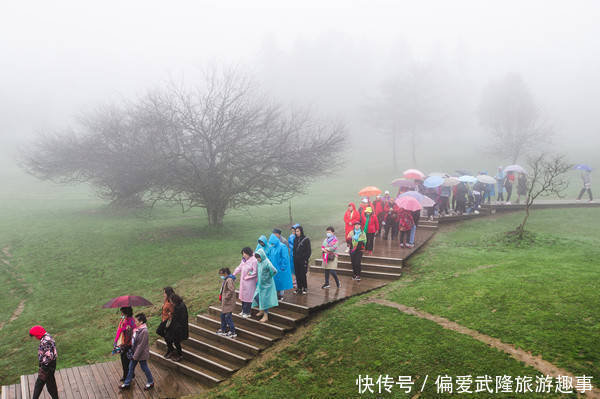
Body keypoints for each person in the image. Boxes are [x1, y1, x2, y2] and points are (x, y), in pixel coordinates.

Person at [119, 313, 154, 391]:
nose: (135, 322)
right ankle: (127, 383)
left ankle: (151, 382)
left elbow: (141, 346)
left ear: (141, 322)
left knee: (144, 368)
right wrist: (128, 329)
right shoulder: (136, 329)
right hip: (135, 353)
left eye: (136, 321)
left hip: (140, 354)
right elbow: (133, 339)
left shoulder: (144, 331)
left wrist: (135, 356)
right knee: (130, 367)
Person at [29, 325, 58, 399]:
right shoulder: (47, 337)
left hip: (47, 367)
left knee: (39, 383)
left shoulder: (46, 341)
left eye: (35, 336)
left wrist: (44, 367)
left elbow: (49, 356)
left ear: (38, 334)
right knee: (51, 385)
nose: (35, 338)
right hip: (50, 365)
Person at [252, 248, 279, 322]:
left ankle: (265, 316)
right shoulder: (259, 262)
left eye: (258, 257)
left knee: (264, 300)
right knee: (256, 297)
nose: (257, 259)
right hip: (260, 284)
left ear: (262, 256)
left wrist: (268, 277)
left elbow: (274, 271)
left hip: (267, 285)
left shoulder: (267, 262)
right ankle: (261, 310)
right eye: (256, 258)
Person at [233, 247, 258, 318]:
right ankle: (243, 310)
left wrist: (247, 277)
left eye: (244, 253)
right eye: (243, 254)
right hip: (243, 282)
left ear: (248, 253)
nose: (243, 255)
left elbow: (255, 272)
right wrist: (234, 274)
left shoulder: (254, 261)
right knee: (243, 296)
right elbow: (240, 267)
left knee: (248, 297)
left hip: (250, 282)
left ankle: (248, 312)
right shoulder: (244, 260)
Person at [267, 233, 293, 299]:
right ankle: (275, 296)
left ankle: (281, 296)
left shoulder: (282, 246)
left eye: (272, 243)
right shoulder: (272, 247)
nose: (271, 244)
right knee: (275, 282)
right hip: (274, 268)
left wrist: (282, 267)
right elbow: (270, 256)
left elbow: (285, 258)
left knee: (281, 283)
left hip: (280, 268)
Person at [113, 306, 135, 381]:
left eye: (122, 312)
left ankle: (127, 376)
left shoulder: (131, 321)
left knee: (126, 361)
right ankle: (126, 375)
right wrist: (116, 340)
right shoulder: (123, 319)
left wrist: (126, 329)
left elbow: (131, 333)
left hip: (127, 344)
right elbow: (119, 330)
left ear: (126, 312)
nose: (121, 313)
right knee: (123, 360)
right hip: (123, 343)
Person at [164, 294, 188, 362]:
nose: (171, 303)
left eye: (171, 301)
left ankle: (179, 355)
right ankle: (174, 352)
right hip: (177, 328)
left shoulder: (179, 307)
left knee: (176, 342)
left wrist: (171, 316)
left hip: (178, 329)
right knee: (170, 339)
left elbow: (179, 318)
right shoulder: (179, 305)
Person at [217, 267, 237, 338]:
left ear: (225, 273)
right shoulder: (226, 279)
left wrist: (225, 297)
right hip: (225, 302)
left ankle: (233, 331)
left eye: (221, 274)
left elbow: (231, 290)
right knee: (223, 316)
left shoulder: (229, 280)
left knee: (228, 317)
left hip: (228, 302)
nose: (221, 276)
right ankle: (223, 329)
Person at [293, 225, 311, 294]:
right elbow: (294, 250)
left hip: (303, 260)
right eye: (295, 231)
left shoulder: (306, 239)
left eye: (298, 231)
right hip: (296, 260)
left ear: (301, 231)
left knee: (302, 274)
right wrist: (294, 258)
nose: (296, 233)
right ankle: (299, 288)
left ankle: (305, 288)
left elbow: (308, 251)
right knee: (297, 274)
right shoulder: (295, 239)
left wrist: (305, 258)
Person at [156, 287, 175, 356]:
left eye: (164, 293)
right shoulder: (166, 300)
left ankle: (170, 349)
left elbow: (172, 312)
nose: (163, 294)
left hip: (167, 321)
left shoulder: (170, 302)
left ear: (168, 293)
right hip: (164, 320)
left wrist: (169, 316)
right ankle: (170, 348)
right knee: (163, 334)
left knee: (161, 332)